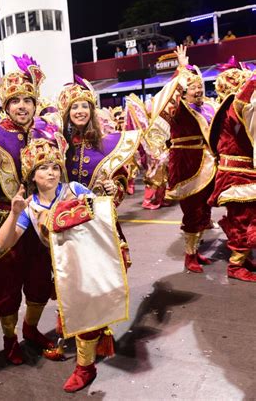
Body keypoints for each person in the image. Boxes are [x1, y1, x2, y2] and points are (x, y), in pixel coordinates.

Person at [0, 126, 130, 392]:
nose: (52, 172)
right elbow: (2, 243)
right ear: (32, 175)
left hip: (90, 262)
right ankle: (86, 358)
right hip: (64, 270)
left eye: (55, 167)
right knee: (75, 315)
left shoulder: (74, 188)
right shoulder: (30, 207)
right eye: (44, 168)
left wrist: (102, 196)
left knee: (84, 317)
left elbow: (103, 214)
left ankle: (85, 368)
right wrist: (13, 214)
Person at [0, 54, 56, 365]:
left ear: (36, 104)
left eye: (27, 100)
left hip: (41, 223)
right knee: (6, 286)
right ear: (5, 105)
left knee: (39, 282)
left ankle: (31, 329)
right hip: (5, 223)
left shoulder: (47, 133)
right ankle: (10, 339)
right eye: (15, 100)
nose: (22, 106)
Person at [144, 45, 218, 273]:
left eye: (200, 87)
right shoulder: (178, 109)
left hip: (205, 162)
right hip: (185, 164)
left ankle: (196, 251)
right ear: (183, 93)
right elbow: (169, 94)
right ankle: (189, 256)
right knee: (192, 211)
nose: (198, 91)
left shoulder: (206, 108)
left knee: (204, 210)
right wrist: (182, 69)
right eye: (193, 88)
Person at [57, 76, 140, 207]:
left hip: (99, 214)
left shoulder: (107, 144)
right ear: (67, 113)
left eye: (84, 106)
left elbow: (121, 179)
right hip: (68, 215)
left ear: (91, 111)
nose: (80, 111)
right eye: (74, 107)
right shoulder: (60, 145)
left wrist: (114, 188)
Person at [207, 61, 255, 281]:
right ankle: (235, 266)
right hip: (236, 174)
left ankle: (242, 257)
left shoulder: (228, 107)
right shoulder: (234, 107)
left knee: (243, 218)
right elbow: (245, 99)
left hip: (240, 172)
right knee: (243, 219)